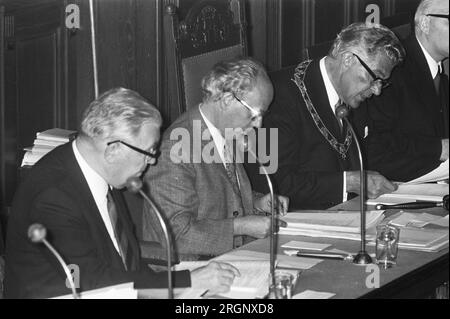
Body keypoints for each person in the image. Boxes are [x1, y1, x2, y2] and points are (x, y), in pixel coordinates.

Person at [4, 88, 239, 299]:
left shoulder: (105, 173)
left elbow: (127, 264)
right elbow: (89, 283)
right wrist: (186, 282)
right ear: (114, 149)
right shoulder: (53, 196)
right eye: (148, 152)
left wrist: (184, 286)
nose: (152, 160)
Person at [141, 57, 289, 261]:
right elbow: (175, 233)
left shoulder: (225, 130)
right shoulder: (175, 147)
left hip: (230, 259)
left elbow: (219, 195)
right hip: (189, 269)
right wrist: (241, 226)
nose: (258, 125)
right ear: (228, 100)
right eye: (255, 114)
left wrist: (256, 202)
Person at [245, 23, 405, 210]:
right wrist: (348, 182)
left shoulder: (356, 95)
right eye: (375, 77)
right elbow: (274, 183)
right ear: (347, 60)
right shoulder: (277, 98)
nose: (377, 90)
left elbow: (372, 151)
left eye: (382, 82)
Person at [362, 0, 449, 182]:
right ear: (425, 23)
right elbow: (376, 146)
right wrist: (438, 148)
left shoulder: (441, 74)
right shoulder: (392, 68)